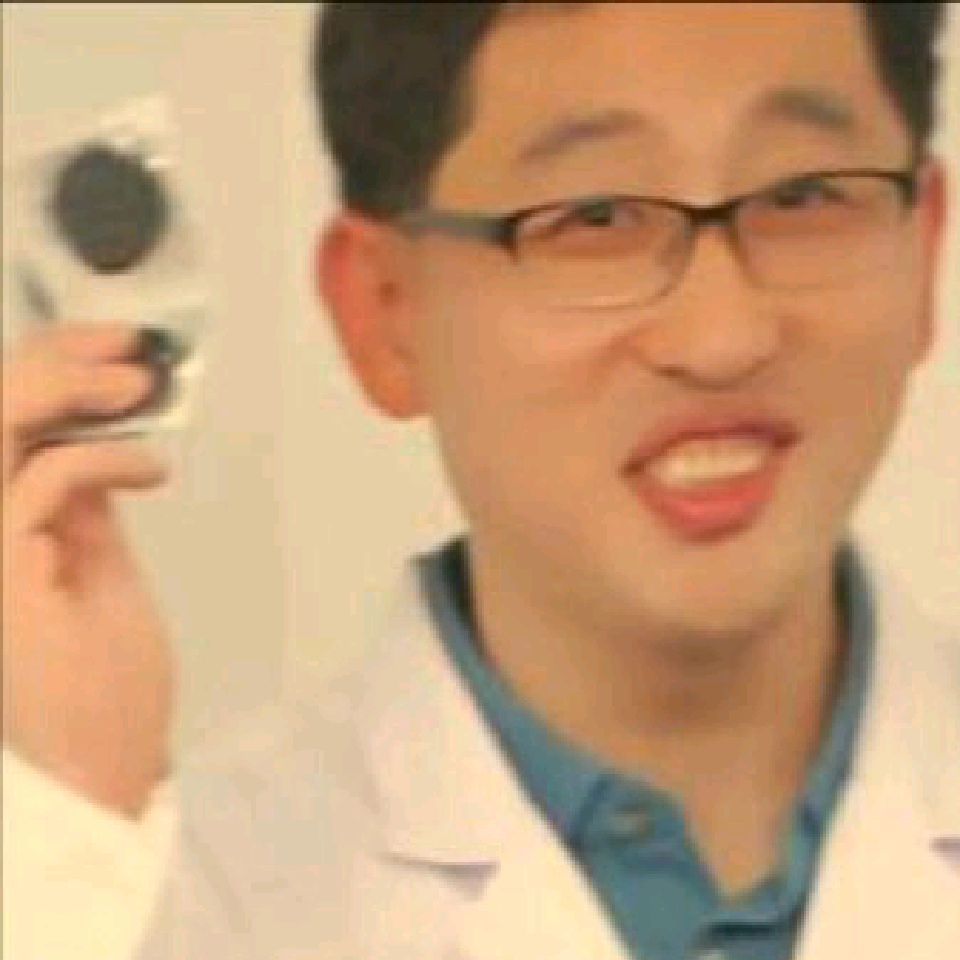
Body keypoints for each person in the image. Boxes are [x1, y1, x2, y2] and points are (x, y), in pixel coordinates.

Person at [3, 3, 957, 958]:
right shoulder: (155, 900)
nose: (722, 336)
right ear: (385, 310)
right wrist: (71, 824)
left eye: (804, 197)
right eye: (596, 217)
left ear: (925, 250)